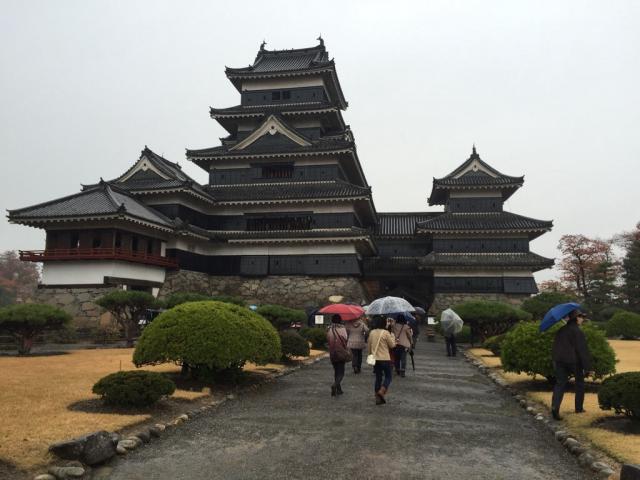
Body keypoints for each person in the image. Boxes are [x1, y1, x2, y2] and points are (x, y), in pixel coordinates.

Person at [551, 310, 593, 420]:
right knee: (579, 383)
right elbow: (582, 350)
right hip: (574, 361)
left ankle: (555, 407)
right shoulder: (577, 331)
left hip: (559, 360)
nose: (583, 319)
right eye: (581, 317)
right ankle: (579, 408)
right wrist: (588, 368)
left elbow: (555, 346)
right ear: (576, 318)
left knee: (560, 384)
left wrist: (555, 359)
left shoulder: (561, 330)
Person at [367, 316, 396, 405]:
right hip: (385, 358)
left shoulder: (372, 332)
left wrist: (370, 355)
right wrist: (393, 337)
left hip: (376, 359)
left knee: (378, 378)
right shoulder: (386, 333)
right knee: (388, 376)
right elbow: (392, 345)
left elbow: (369, 346)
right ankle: (382, 391)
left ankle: (377, 398)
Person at [327, 314, 350, 397]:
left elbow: (328, 340)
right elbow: (346, 339)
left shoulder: (329, 329)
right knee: (341, 372)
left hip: (332, 352)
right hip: (341, 352)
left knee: (336, 370)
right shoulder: (342, 329)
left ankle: (339, 389)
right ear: (340, 320)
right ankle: (335, 385)